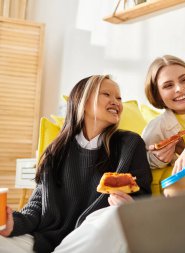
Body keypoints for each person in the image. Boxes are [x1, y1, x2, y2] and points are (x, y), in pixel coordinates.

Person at [0, 75, 152, 253]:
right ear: (83, 101)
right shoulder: (56, 150)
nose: (116, 102)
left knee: (110, 216)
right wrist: (12, 224)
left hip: (93, 238)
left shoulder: (131, 144)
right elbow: (37, 207)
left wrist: (129, 206)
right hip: (46, 239)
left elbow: (143, 200)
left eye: (119, 98)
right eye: (107, 94)